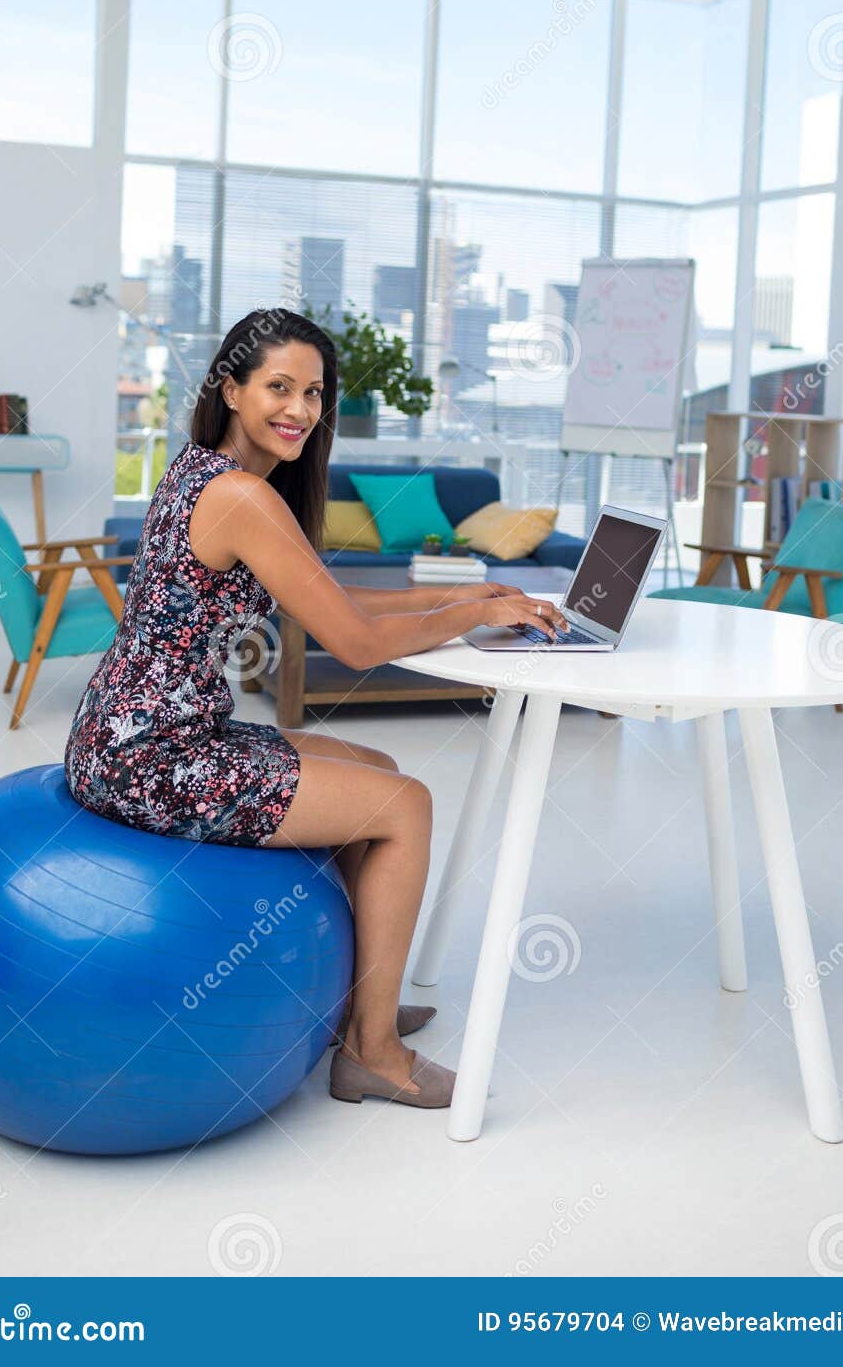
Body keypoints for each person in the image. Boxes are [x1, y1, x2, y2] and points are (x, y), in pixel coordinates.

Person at [65, 307, 567, 1110]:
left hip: (138, 732)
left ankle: (354, 1000)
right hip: (150, 755)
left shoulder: (206, 471)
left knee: (374, 769)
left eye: (313, 392)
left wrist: (464, 591)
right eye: (277, 387)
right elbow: (356, 642)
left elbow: (321, 593)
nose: (299, 409)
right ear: (230, 388)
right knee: (405, 806)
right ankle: (372, 1052)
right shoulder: (239, 495)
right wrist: (472, 616)